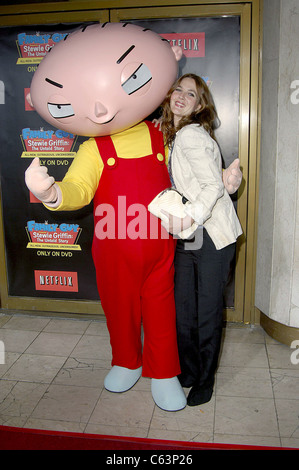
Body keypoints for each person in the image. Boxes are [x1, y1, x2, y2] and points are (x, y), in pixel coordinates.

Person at [159, 73, 243, 406]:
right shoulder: (174, 135)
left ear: (199, 104)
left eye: (190, 94)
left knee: (205, 311)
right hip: (190, 234)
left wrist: (189, 215)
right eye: (177, 89)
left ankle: (204, 380)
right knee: (184, 309)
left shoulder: (191, 135)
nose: (181, 96)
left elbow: (212, 187)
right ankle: (189, 371)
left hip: (212, 235)